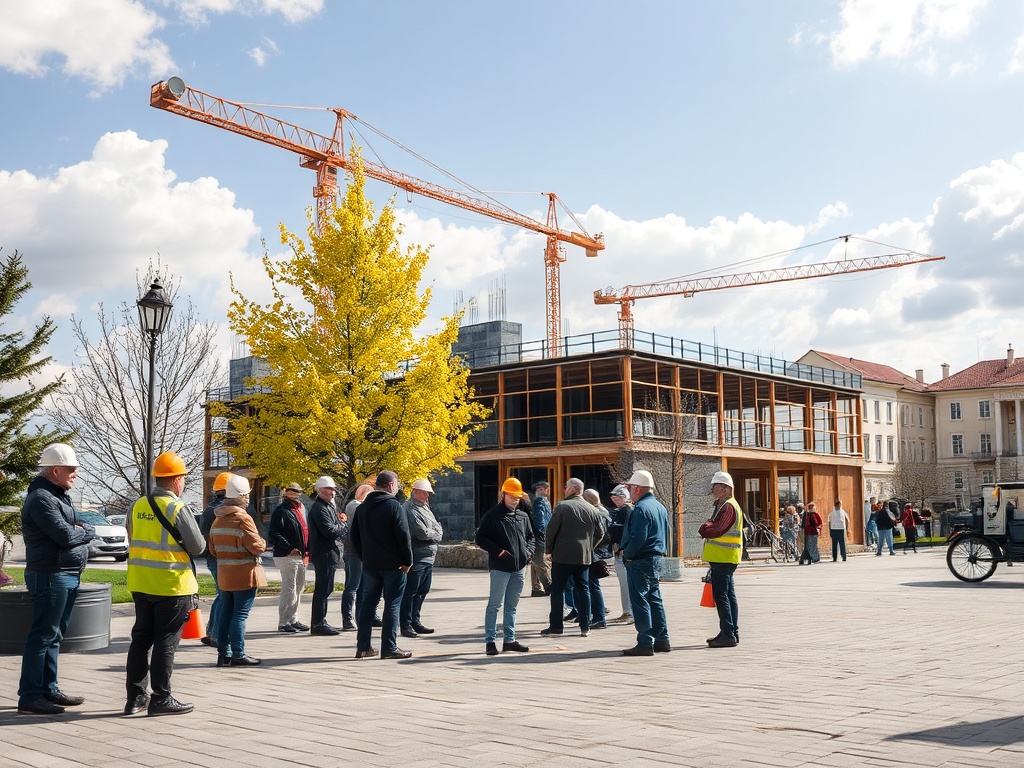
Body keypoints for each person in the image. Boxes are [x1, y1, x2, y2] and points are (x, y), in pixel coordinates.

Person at [125, 451, 205, 717]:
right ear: (176, 480)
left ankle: (136, 698)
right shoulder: (177, 507)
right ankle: (161, 698)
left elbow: (132, 536)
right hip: (171, 584)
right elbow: (198, 546)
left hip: (140, 582)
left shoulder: (137, 505)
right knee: (165, 641)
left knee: (140, 640)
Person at [17, 443, 94, 716]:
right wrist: (81, 533)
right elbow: (65, 536)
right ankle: (29, 696)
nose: (75, 474)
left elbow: (84, 525)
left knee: (55, 635)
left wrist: (80, 530)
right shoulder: (41, 498)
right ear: (56, 470)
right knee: (42, 635)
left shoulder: (58, 496)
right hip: (51, 575)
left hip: (66, 575)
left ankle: (48, 689)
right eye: (72, 470)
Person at [350, 470, 414, 660]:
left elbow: (354, 537)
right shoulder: (394, 506)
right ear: (391, 485)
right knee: (392, 604)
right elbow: (404, 535)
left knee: (368, 605)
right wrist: (407, 561)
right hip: (393, 565)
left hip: (370, 565)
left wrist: (364, 557)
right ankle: (389, 647)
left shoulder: (362, 508)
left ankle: (363, 647)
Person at [209, 475, 267, 666]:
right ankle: (238, 653)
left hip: (224, 573)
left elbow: (212, 549)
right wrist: (264, 543)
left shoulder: (217, 519)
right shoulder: (243, 518)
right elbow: (256, 546)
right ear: (242, 497)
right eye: (247, 496)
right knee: (240, 614)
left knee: (226, 611)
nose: (248, 499)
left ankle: (222, 653)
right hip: (244, 573)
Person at [475, 477, 535, 656]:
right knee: (494, 604)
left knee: (512, 605)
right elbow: (480, 538)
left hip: (519, 568)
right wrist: (498, 552)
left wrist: (528, 552)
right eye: (511, 496)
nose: (515, 500)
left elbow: (531, 537)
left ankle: (509, 640)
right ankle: (490, 641)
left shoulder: (523, 516)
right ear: (503, 495)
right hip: (500, 567)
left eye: (517, 497)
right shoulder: (493, 515)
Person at [541, 477, 605, 639]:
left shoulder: (562, 506)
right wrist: (589, 546)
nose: (564, 489)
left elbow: (551, 530)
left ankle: (556, 627)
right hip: (583, 557)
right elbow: (601, 533)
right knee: (584, 590)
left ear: (573, 489)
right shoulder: (592, 509)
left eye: (566, 487)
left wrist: (548, 550)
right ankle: (585, 627)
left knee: (557, 591)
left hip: (562, 556)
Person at [619, 470, 671, 656]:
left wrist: (627, 554)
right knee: (654, 599)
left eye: (630, 487)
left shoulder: (641, 509)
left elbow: (638, 537)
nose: (629, 491)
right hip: (656, 558)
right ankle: (662, 639)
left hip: (641, 559)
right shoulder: (659, 507)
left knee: (640, 599)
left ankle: (645, 641)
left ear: (637, 488)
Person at [699, 470, 743, 648]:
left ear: (724, 488)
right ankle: (730, 631)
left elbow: (716, 529)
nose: (712, 490)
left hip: (723, 558)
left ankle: (728, 634)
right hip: (725, 558)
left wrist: (704, 528)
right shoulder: (725, 505)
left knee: (722, 596)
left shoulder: (728, 507)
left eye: (715, 486)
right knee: (728, 596)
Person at [400, 478, 443, 638]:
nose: (428, 496)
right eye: (425, 492)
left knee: (422, 590)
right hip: (417, 557)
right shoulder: (409, 508)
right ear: (416, 491)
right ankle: (405, 624)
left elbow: (438, 527)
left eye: (428, 493)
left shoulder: (425, 508)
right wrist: (435, 532)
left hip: (429, 557)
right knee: (411, 591)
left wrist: (434, 531)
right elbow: (421, 532)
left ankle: (415, 621)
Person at [307, 476, 348, 635]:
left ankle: (320, 620)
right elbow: (330, 531)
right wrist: (343, 524)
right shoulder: (319, 508)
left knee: (327, 588)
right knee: (323, 589)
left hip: (329, 553)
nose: (333, 492)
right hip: (324, 553)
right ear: (321, 490)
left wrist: (339, 524)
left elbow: (334, 526)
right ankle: (317, 623)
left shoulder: (328, 507)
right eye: (330, 489)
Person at [267, 482, 310, 634]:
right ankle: (283, 621)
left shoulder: (301, 508)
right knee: (289, 589)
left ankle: (293, 618)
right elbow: (274, 532)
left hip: (300, 555)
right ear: (285, 492)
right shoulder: (281, 510)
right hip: (287, 555)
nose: (295, 494)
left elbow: (305, 529)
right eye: (292, 491)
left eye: (298, 491)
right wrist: (289, 547)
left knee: (299, 588)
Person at [198, 472, 232, 649]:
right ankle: (215, 634)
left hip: (213, 558)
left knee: (222, 595)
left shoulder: (208, 510)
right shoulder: (227, 510)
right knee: (225, 596)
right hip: (225, 558)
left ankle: (212, 631)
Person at [341, 479, 376, 631]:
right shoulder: (355, 505)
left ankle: (361, 616)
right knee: (353, 586)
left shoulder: (358, 506)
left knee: (362, 587)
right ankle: (348, 618)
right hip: (354, 551)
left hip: (362, 552)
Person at [582, 488, 613, 630]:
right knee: (592, 586)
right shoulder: (604, 512)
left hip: (593, 554)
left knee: (592, 586)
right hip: (597, 553)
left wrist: (590, 546)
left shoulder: (596, 513)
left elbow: (599, 534)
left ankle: (599, 617)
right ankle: (597, 615)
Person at [608, 484, 634, 624]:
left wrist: (623, 546)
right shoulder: (619, 511)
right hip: (618, 551)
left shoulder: (627, 510)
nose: (614, 499)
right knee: (623, 584)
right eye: (613, 496)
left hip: (623, 552)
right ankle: (627, 611)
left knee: (626, 583)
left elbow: (626, 531)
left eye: (617, 496)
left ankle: (630, 612)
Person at [529, 480, 553, 597]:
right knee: (540, 561)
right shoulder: (540, 501)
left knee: (536, 562)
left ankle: (537, 589)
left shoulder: (544, 501)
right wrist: (543, 533)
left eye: (543, 488)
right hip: (540, 537)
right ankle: (548, 586)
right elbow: (540, 521)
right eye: (539, 488)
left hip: (539, 536)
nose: (541, 490)